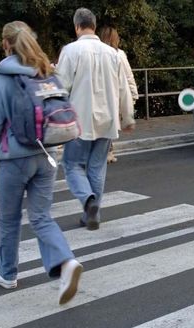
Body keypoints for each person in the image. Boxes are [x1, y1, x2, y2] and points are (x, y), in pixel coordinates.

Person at [0, 21, 82, 305]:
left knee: (9, 219)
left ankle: (7, 273)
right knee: (41, 217)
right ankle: (66, 261)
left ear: (5, 44)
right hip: (47, 155)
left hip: (15, 158)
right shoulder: (47, 72)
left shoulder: (1, 78)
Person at [56, 8, 135, 230]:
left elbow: (61, 89)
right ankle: (94, 214)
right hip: (108, 120)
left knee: (72, 165)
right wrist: (128, 117)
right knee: (97, 167)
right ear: (94, 24)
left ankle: (88, 200)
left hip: (80, 120)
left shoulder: (70, 51)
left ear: (76, 26)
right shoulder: (112, 53)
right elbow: (123, 89)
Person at [99, 26, 139, 163]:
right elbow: (128, 76)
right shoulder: (119, 54)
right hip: (115, 94)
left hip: (101, 95)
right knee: (110, 124)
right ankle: (108, 151)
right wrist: (133, 94)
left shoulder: (98, 53)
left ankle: (107, 150)